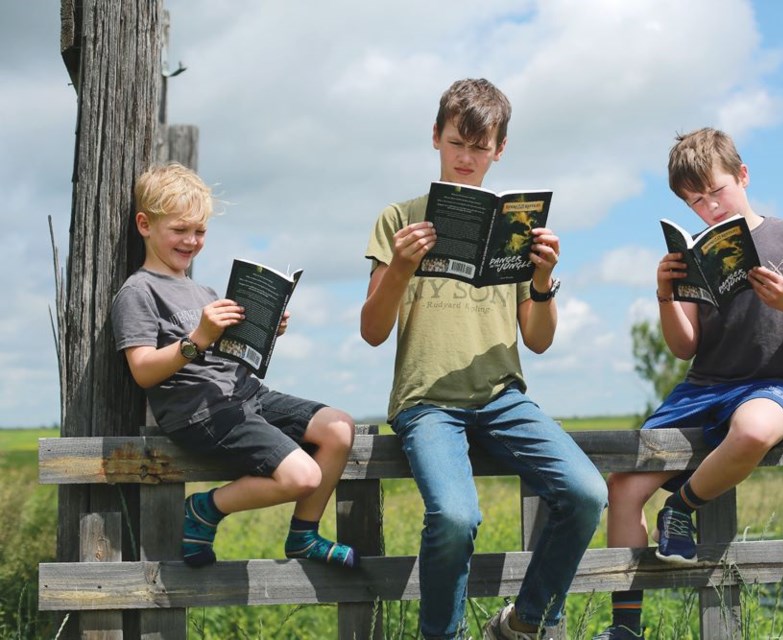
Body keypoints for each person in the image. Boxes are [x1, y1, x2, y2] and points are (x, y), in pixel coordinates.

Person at [361, 78, 607, 640]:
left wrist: (541, 281)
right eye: (455, 143)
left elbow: (538, 339)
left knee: (587, 492)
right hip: (426, 405)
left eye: (479, 147)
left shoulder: (516, 226)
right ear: (435, 138)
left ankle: (525, 622)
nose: (466, 158)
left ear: (499, 150)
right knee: (454, 517)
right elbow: (372, 331)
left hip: (502, 398)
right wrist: (401, 268)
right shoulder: (397, 219)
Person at [592, 127, 783, 640]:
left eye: (717, 191)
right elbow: (683, 346)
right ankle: (626, 627)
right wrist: (665, 294)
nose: (710, 208)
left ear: (743, 175)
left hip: (774, 384)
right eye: (695, 202)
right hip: (702, 388)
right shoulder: (693, 253)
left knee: (750, 432)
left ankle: (681, 508)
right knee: (622, 487)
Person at [111, 162, 358, 570]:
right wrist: (197, 339)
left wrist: (264, 329)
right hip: (201, 412)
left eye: (200, 231)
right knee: (303, 477)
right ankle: (205, 509)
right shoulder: (138, 292)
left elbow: (227, 352)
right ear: (144, 224)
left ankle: (303, 537)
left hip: (245, 395)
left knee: (340, 428)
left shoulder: (201, 289)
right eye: (180, 230)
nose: (191, 241)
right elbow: (142, 369)